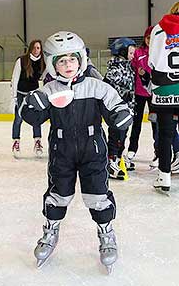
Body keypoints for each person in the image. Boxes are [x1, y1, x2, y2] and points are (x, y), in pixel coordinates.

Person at [18, 31, 133, 273]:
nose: (68, 65)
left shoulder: (96, 86)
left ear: (81, 59)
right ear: (52, 64)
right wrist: (32, 106)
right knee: (58, 194)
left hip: (93, 151)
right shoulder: (49, 90)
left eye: (72, 59)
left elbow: (116, 106)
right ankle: (50, 231)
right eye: (61, 60)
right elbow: (30, 115)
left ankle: (106, 234)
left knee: (98, 195)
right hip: (62, 152)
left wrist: (121, 116)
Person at [148, 2, 179, 192]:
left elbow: (152, 59)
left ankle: (164, 176)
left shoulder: (159, 29)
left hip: (164, 88)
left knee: (165, 134)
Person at [125, 26, 159, 169]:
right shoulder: (138, 53)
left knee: (155, 124)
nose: (150, 40)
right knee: (137, 123)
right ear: (145, 38)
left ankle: (158, 152)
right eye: (148, 38)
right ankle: (132, 150)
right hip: (139, 93)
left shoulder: (159, 52)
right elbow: (132, 70)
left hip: (154, 94)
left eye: (152, 38)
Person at [103, 37, 136, 179]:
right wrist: (124, 94)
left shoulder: (127, 66)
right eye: (131, 52)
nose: (133, 55)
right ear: (122, 51)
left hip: (128, 108)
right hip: (117, 109)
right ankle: (111, 161)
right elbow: (108, 86)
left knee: (123, 135)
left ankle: (118, 158)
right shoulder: (115, 68)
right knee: (116, 134)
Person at [11, 40, 46, 157]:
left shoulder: (42, 62)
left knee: (37, 119)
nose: (37, 50)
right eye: (35, 47)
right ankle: (16, 142)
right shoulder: (21, 60)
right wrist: (14, 96)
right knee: (18, 118)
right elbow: (14, 78)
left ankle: (37, 142)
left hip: (33, 95)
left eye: (39, 48)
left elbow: (46, 77)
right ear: (31, 48)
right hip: (21, 94)